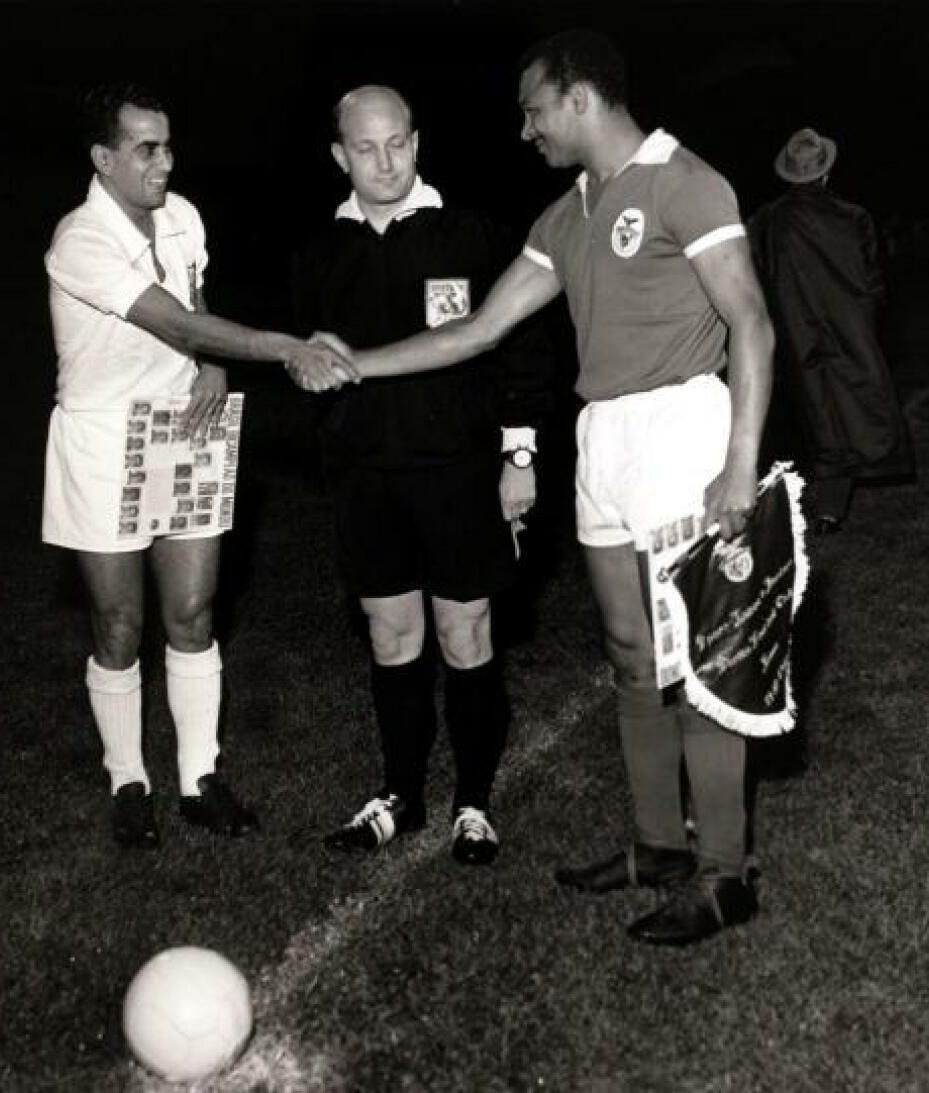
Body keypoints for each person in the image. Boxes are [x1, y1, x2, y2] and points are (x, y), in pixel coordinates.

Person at [306, 31, 776, 943]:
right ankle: (658, 846)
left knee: (700, 660)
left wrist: (740, 462)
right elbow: (479, 330)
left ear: (578, 98)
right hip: (603, 435)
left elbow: (750, 322)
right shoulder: (566, 214)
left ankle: (725, 872)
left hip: (684, 428)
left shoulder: (686, 182)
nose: (527, 131)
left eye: (533, 111)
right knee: (630, 652)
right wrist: (352, 362)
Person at [43, 83, 354, 848]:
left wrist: (213, 365)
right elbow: (175, 321)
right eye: (146, 148)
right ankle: (128, 780)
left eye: (169, 145)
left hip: (183, 425)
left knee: (191, 611)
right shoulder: (80, 239)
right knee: (119, 622)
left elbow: (195, 301)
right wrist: (284, 347)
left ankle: (198, 779)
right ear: (103, 158)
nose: (165, 162)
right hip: (101, 439)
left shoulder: (182, 215)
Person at [291, 86, 554, 865]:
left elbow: (523, 349)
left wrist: (518, 455)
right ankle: (400, 795)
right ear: (339, 156)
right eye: (365, 148)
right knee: (391, 635)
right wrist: (333, 427)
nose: (385, 162)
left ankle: (473, 802)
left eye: (397, 143)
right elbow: (305, 366)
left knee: (465, 633)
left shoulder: (471, 236)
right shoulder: (318, 255)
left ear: (416, 141)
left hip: (460, 473)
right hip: (366, 480)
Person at [749, 127, 914, 533]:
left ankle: (826, 506)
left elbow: (752, 276)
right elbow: (875, 282)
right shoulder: (853, 218)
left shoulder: (767, 222)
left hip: (793, 335)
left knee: (817, 412)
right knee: (848, 407)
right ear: (826, 173)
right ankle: (826, 505)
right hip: (847, 330)